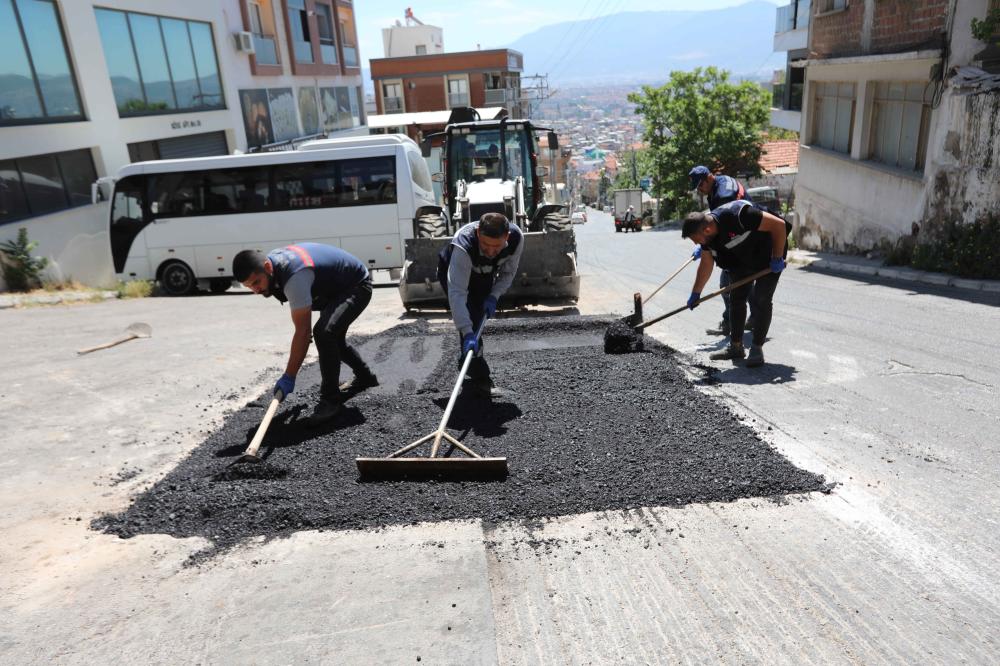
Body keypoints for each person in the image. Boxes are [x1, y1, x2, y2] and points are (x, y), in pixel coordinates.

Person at [232, 243, 377, 425]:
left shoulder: (294, 277)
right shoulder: (273, 266)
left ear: (268, 268)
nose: (256, 290)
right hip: (335, 287)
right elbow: (302, 328)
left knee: (325, 334)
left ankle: (331, 400)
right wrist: (303, 333)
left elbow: (302, 332)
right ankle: (365, 377)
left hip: (356, 285)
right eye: (249, 287)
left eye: (256, 283)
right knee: (333, 338)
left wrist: (289, 377)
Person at [681, 200, 792, 368]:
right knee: (737, 299)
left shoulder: (738, 215)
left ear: (707, 229)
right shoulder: (708, 238)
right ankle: (736, 347)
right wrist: (696, 293)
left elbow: (779, 226)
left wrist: (777, 257)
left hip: (768, 255)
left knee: (762, 299)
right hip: (741, 259)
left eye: (696, 240)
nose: (697, 244)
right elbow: (706, 264)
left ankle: (756, 348)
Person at [437, 212, 524, 396]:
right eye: (485, 245)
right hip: (453, 271)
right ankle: (479, 376)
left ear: (506, 237)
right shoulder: (463, 245)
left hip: (484, 273)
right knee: (473, 319)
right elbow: (457, 293)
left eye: (497, 246)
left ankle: (469, 366)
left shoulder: (516, 239)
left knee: (477, 314)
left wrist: (494, 295)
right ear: (477, 233)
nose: (491, 251)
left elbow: (508, 273)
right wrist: (467, 331)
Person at [688, 165, 755, 337]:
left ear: (709, 177)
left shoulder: (723, 196)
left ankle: (730, 323)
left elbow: (720, 228)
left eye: (700, 185)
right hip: (741, 236)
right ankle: (754, 316)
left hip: (744, 238)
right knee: (744, 281)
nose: (700, 190)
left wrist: (705, 246)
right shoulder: (719, 183)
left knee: (728, 283)